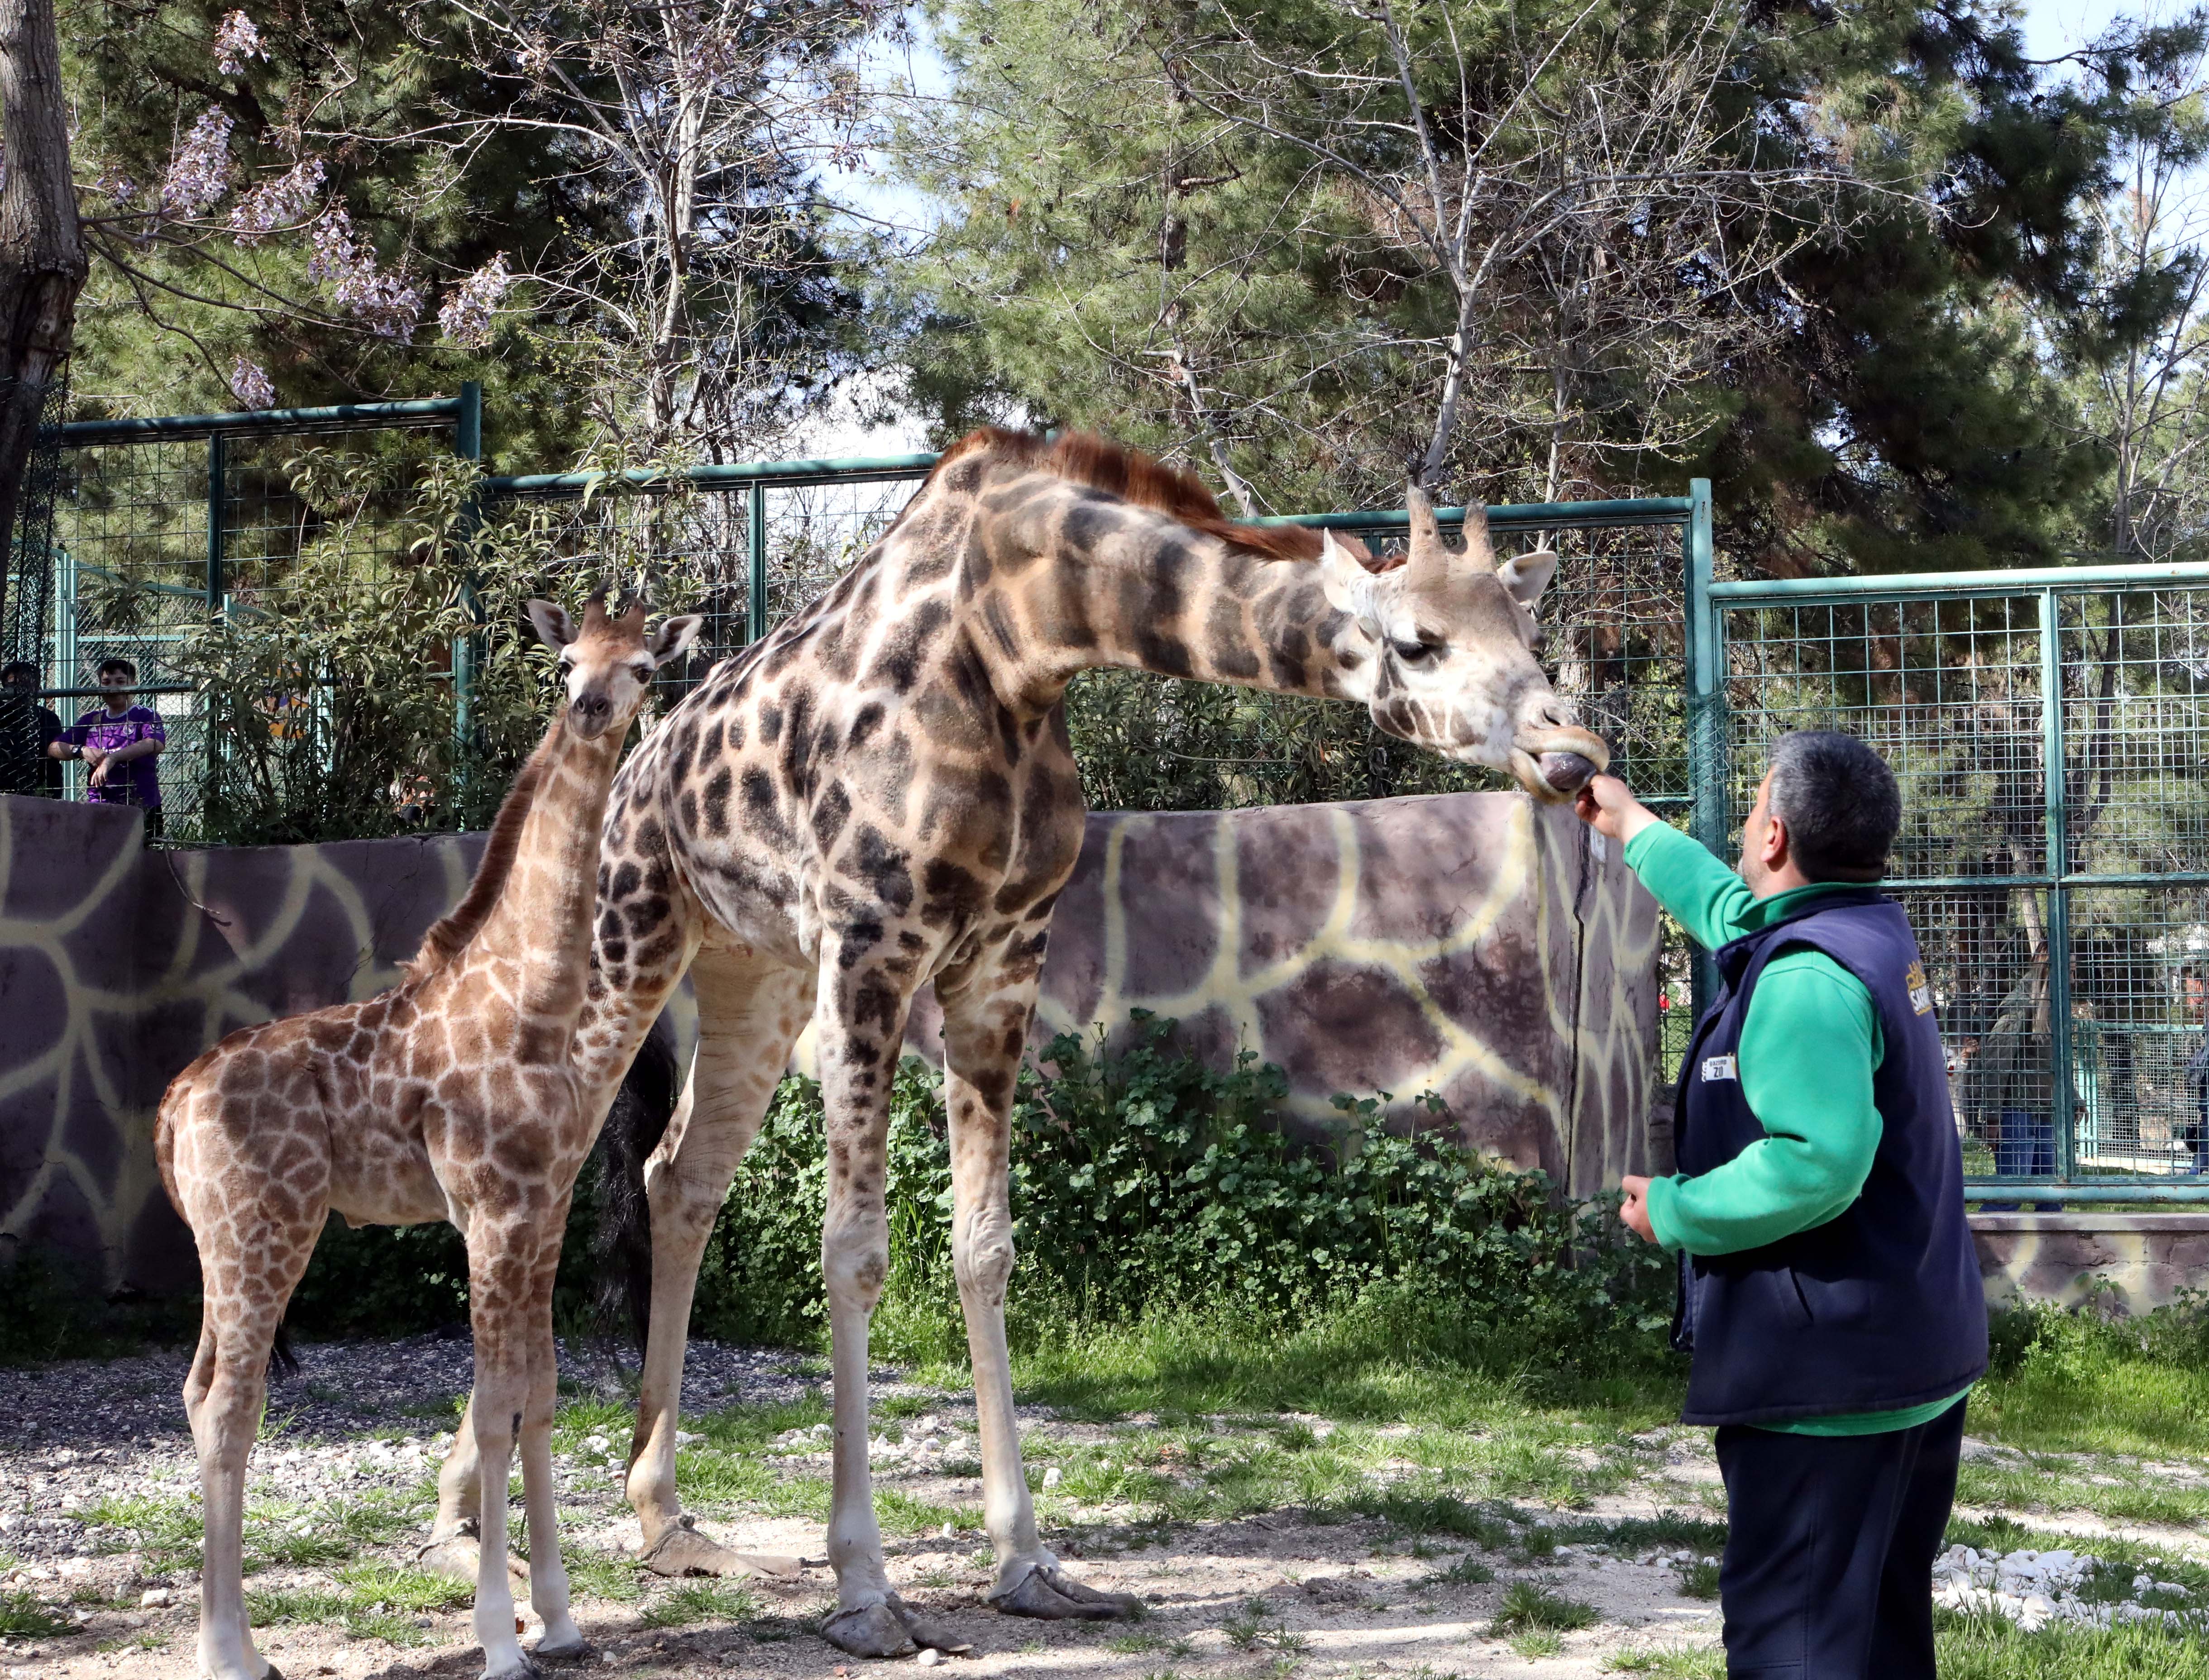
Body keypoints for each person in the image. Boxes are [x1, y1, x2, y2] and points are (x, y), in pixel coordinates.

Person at [1575, 730, 1987, 1680]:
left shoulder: (1804, 979)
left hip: (1827, 1381)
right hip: (1908, 1357)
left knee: (1794, 1645)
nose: (1746, 824)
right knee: (1877, 1637)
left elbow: (1815, 1166)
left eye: (1756, 806)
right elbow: (1729, 912)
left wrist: (1673, 1209)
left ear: (1772, 834)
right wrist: (1629, 822)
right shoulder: (1861, 929)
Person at [50, 656, 167, 837]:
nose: (113, 687)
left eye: (121, 682)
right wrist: (81, 751)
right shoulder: (90, 719)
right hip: (100, 804)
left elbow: (155, 743)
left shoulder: (145, 715)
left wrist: (112, 758)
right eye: (106, 682)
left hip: (142, 804)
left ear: (134, 685)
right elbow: (54, 748)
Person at [0, 659, 63, 798]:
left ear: (36, 688)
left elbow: (46, 750)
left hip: (39, 785)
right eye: (12, 685)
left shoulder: (47, 717)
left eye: (26, 685)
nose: (19, 690)